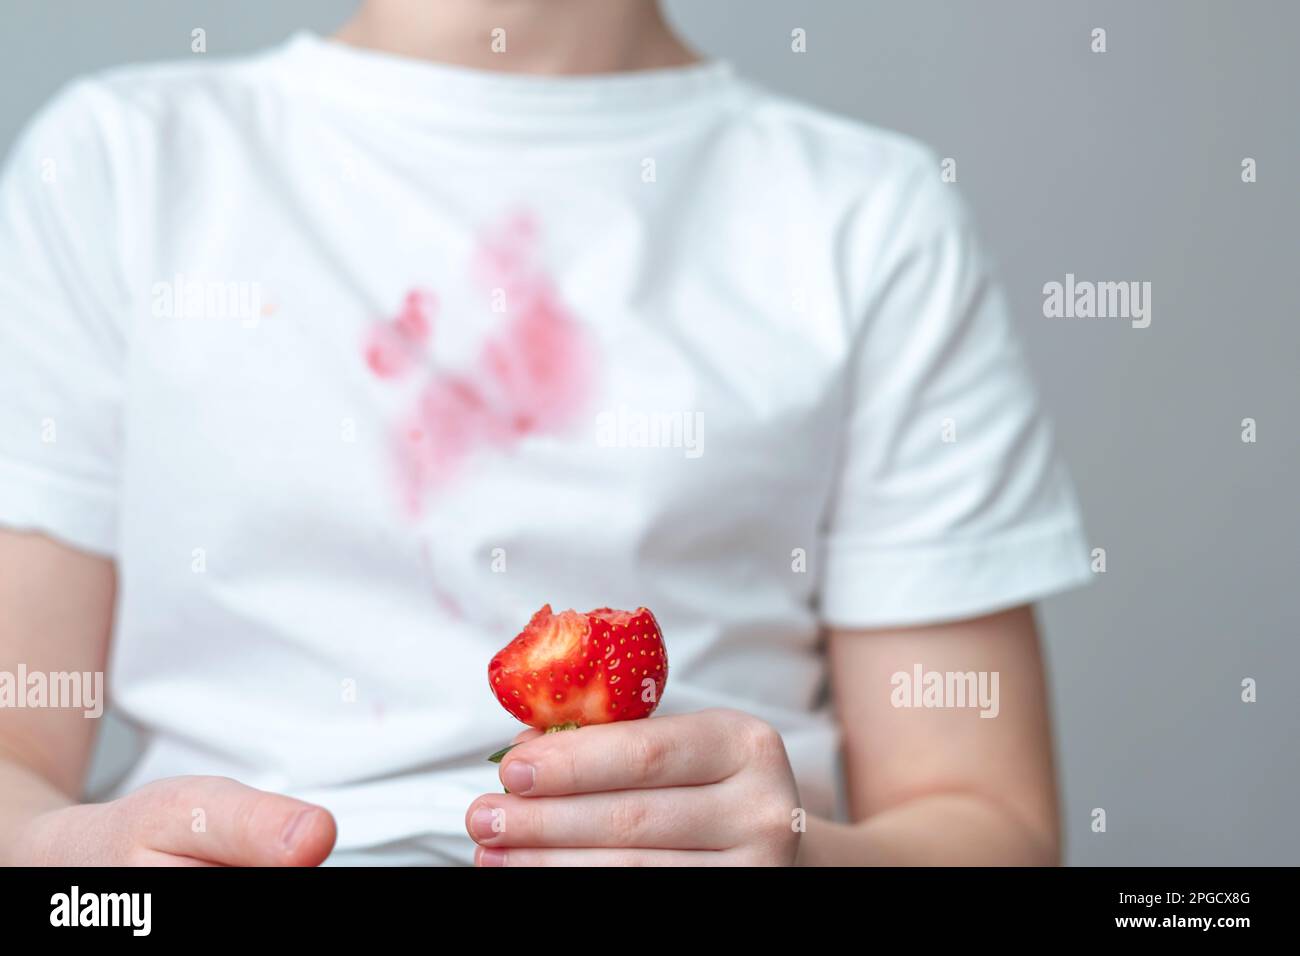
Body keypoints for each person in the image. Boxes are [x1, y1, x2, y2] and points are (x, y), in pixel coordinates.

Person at [0, 0, 1090, 866]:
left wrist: (796, 854)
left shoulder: (868, 214)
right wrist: (79, 865)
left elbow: (984, 818)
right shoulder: (118, 165)